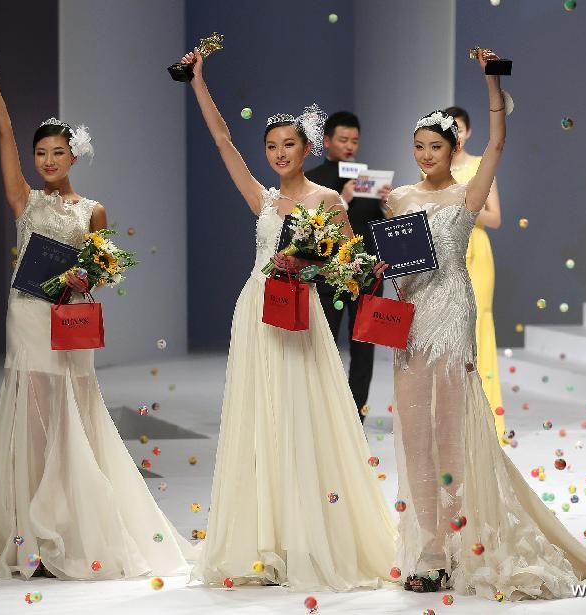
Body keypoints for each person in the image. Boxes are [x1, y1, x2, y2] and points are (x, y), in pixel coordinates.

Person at [386, 48, 586, 599]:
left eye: (435, 146)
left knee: (450, 435)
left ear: (454, 148)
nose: (426, 155)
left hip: (451, 310)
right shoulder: (398, 198)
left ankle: (454, 542)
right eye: (418, 147)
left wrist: (492, 85)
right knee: (413, 435)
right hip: (410, 315)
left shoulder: (467, 192)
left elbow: (498, 142)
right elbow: (396, 260)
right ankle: (428, 546)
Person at [0, 45, 196, 580]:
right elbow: (4, 134)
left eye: (57, 153)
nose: (48, 161)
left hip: (67, 321)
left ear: (74, 156)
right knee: (29, 419)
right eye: (41, 154)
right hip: (28, 317)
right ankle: (31, 534)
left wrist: (86, 276)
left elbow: (104, 270)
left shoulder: (91, 210)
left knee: (71, 416)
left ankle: (70, 529)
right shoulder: (24, 202)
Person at [178, 48, 397, 591]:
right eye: (271, 146)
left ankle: (307, 536)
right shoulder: (263, 198)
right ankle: (263, 538)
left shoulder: (328, 200)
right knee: (260, 419)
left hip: (300, 316)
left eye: (288, 145)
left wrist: (310, 260)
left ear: (307, 148)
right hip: (255, 314)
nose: (278, 153)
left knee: (301, 417)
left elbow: (350, 263)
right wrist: (198, 82)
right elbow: (224, 142)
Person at [425, 105, 506, 445]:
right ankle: (445, 421)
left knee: (477, 325)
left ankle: (487, 420)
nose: (453, 134)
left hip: (475, 251)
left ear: (467, 132)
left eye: (457, 128)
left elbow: (495, 217)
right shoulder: (432, 169)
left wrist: (464, 201)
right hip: (443, 251)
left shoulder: (478, 167)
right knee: (442, 327)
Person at [306, 112, 391, 423]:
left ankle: (356, 417)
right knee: (323, 345)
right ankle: (324, 416)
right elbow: (311, 230)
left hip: (367, 276)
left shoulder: (371, 180)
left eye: (354, 140)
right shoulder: (313, 179)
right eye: (343, 140)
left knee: (364, 347)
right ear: (327, 141)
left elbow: (379, 226)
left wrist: (387, 203)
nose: (349, 146)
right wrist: (343, 198)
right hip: (329, 275)